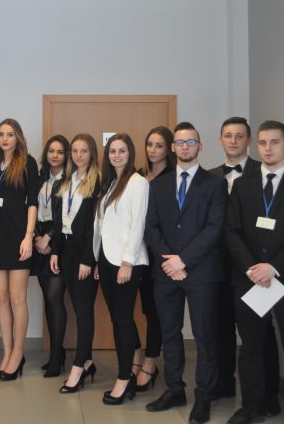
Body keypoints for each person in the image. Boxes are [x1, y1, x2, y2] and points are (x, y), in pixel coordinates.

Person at [226, 121, 284, 424]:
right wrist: (253, 269)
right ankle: (250, 407)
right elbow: (232, 231)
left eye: (274, 142)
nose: (267, 149)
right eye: (263, 143)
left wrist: (273, 267)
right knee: (250, 348)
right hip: (250, 280)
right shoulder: (242, 186)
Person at [144, 122, 227, 424]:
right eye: (180, 142)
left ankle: (203, 397)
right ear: (173, 147)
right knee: (169, 333)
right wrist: (170, 261)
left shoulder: (215, 184)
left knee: (205, 336)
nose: (185, 147)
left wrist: (184, 260)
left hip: (202, 273)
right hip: (166, 273)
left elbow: (215, 228)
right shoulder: (158, 185)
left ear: (200, 146)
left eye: (191, 142)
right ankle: (175, 389)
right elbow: (151, 227)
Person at [209, 117, 280, 410]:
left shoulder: (264, 173)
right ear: (220, 140)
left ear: (249, 141)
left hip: (252, 266)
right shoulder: (210, 176)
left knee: (261, 332)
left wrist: (256, 264)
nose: (233, 140)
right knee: (221, 325)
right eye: (228, 135)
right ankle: (224, 383)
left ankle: (269, 395)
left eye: (240, 136)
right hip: (217, 265)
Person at [93, 133, 149, 405]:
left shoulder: (138, 183)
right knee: (118, 318)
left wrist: (127, 262)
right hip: (106, 259)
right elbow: (105, 225)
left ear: (130, 153)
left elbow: (138, 224)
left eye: (122, 150)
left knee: (123, 320)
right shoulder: (110, 183)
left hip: (127, 262)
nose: (116, 155)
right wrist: (98, 260)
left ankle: (124, 378)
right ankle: (135, 362)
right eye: (112, 151)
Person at [0, 118, 39, 381]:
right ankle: (7, 353)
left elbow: (33, 202)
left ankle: (18, 354)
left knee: (18, 297)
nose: (5, 139)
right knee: (1, 297)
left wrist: (29, 236)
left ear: (18, 137)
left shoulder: (28, 162)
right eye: (1, 134)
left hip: (19, 237)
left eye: (10, 134)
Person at [49, 133, 100, 394]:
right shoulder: (64, 181)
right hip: (65, 252)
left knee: (83, 311)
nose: (79, 155)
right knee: (76, 306)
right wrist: (55, 252)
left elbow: (96, 226)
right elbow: (59, 221)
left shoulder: (98, 182)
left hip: (84, 255)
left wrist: (88, 259)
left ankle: (78, 367)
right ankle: (87, 361)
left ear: (92, 154)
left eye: (84, 151)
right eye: (75, 151)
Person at [133, 126, 175, 392]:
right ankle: (137, 356)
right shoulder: (139, 176)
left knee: (153, 310)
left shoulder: (173, 177)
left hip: (159, 254)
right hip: (136, 253)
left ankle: (150, 362)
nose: (153, 150)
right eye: (150, 144)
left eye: (159, 145)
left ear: (169, 148)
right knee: (132, 308)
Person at [33, 135, 70, 377]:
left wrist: (49, 237)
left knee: (55, 297)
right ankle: (57, 352)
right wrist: (37, 237)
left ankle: (57, 356)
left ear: (66, 156)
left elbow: (69, 215)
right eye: (51, 151)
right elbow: (31, 209)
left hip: (60, 242)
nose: (55, 155)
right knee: (48, 298)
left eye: (60, 152)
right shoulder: (39, 179)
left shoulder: (70, 180)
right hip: (39, 242)